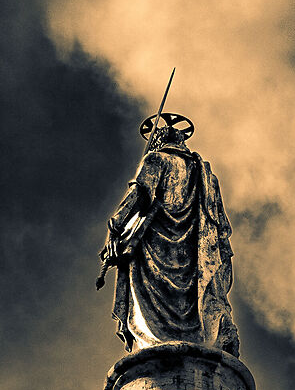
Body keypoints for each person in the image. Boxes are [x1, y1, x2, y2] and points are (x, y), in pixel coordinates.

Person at [99, 106, 241, 355]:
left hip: (156, 247)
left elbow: (140, 194)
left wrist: (116, 224)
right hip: (194, 252)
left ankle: (155, 343)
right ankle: (196, 335)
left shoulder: (155, 160)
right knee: (192, 299)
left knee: (151, 318)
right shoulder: (204, 173)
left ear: (157, 140)